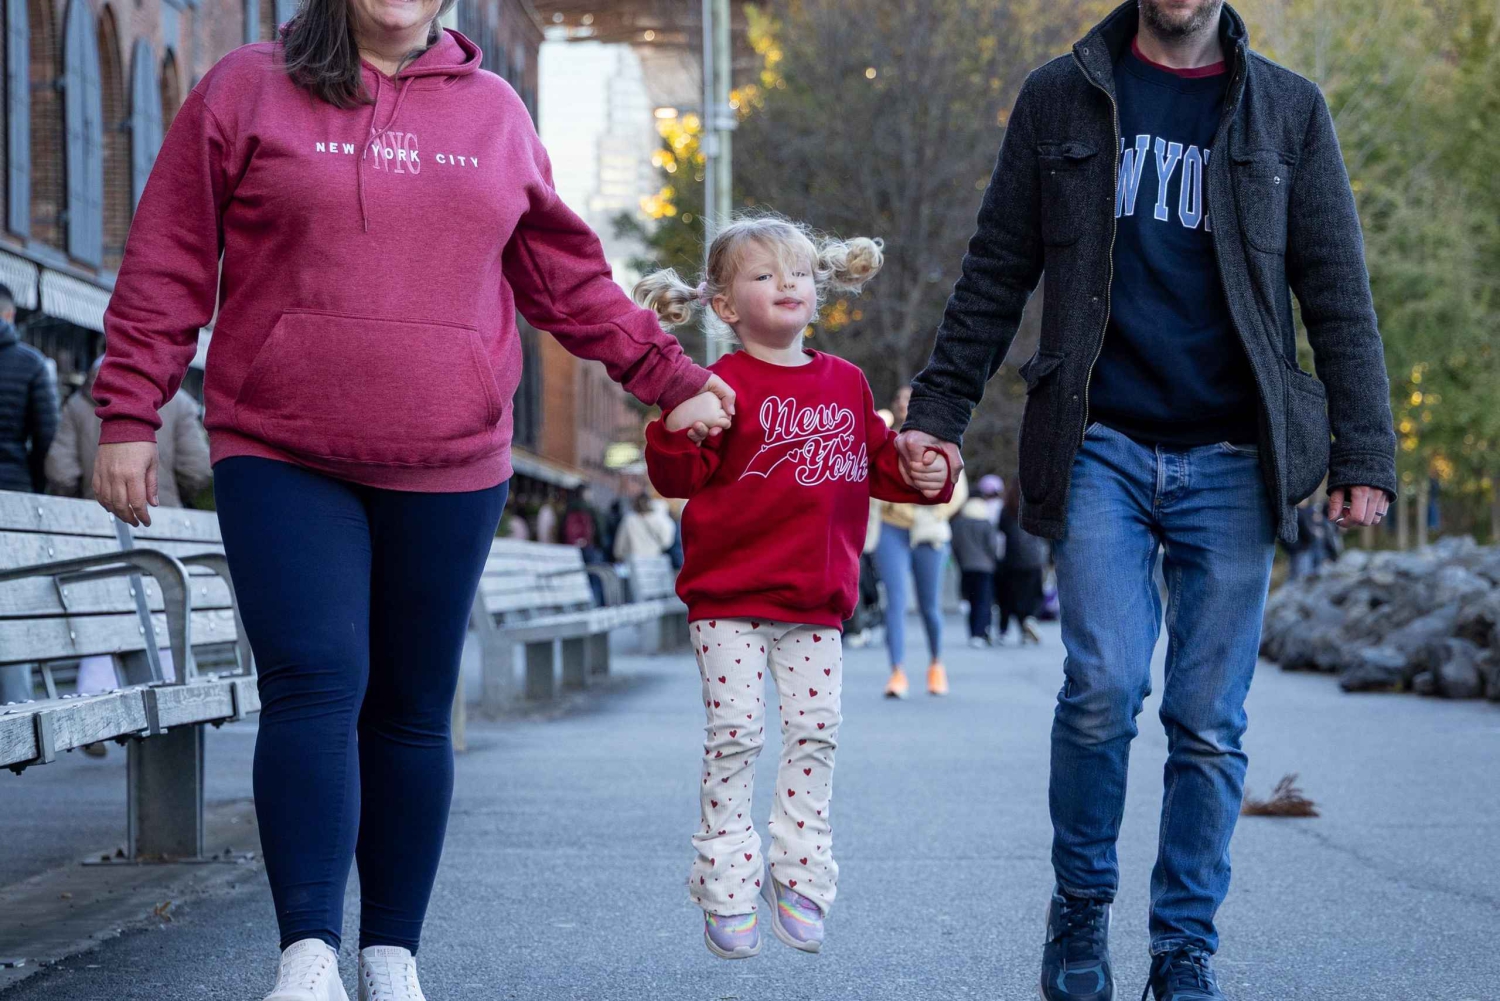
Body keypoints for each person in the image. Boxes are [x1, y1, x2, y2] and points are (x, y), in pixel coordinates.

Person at [87, 0, 736, 996]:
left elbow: (569, 282)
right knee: (315, 676)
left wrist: (671, 375)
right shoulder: (246, 88)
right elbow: (169, 258)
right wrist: (130, 410)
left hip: (450, 460)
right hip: (283, 447)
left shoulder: (494, 113)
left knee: (413, 704)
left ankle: (392, 953)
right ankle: (306, 954)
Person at [895, 2, 1396, 998]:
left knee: (1209, 720)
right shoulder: (1062, 95)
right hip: (1101, 445)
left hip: (1234, 458)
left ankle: (1183, 948)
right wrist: (938, 414)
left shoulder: (1288, 112)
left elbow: (1337, 289)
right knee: (1103, 688)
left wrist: (1364, 448)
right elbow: (998, 266)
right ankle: (1080, 913)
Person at [635, 214, 951, 961]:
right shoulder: (717, 386)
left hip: (816, 605)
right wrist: (676, 421)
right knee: (737, 735)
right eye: (764, 274)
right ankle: (726, 885)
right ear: (723, 304)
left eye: (800, 273)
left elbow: (884, 467)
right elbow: (672, 478)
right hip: (728, 601)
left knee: (816, 734)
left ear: (820, 290)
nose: (787, 285)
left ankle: (802, 875)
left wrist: (931, 470)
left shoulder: (847, 384)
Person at [875, 410, 970, 696]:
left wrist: (936, 511)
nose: (907, 406)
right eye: (902, 401)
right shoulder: (891, 439)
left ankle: (936, 665)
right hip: (893, 527)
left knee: (930, 605)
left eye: (910, 401)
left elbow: (958, 488)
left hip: (929, 531)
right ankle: (897, 672)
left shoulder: (940, 435)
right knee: (895, 601)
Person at [0, 282, 58, 707]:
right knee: (10, 608)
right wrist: (35, 493)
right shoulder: (32, 364)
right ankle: (15, 707)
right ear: (10, 315)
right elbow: (46, 439)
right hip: (13, 499)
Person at [48, 357, 212, 506]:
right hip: (162, 515)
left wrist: (85, 497)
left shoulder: (76, 405)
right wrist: (168, 494)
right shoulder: (179, 402)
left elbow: (61, 472)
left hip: (98, 514)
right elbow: (197, 469)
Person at [996, 478, 1046, 645]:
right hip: (1034, 558)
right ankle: (1029, 620)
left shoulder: (1006, 510)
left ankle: (1011, 628)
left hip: (1012, 560)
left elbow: (1000, 532)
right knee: (1033, 594)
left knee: (1013, 596)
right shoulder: (1034, 506)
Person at [950, 489, 1002, 647]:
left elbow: (955, 546)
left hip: (966, 567)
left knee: (972, 601)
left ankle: (973, 633)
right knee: (984, 601)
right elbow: (992, 546)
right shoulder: (985, 523)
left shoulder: (958, 523)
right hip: (985, 568)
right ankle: (982, 633)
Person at [612, 493, 675, 562]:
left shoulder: (629, 519)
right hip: (654, 560)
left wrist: (619, 556)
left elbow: (620, 545)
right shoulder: (660, 520)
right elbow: (667, 542)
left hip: (634, 561)